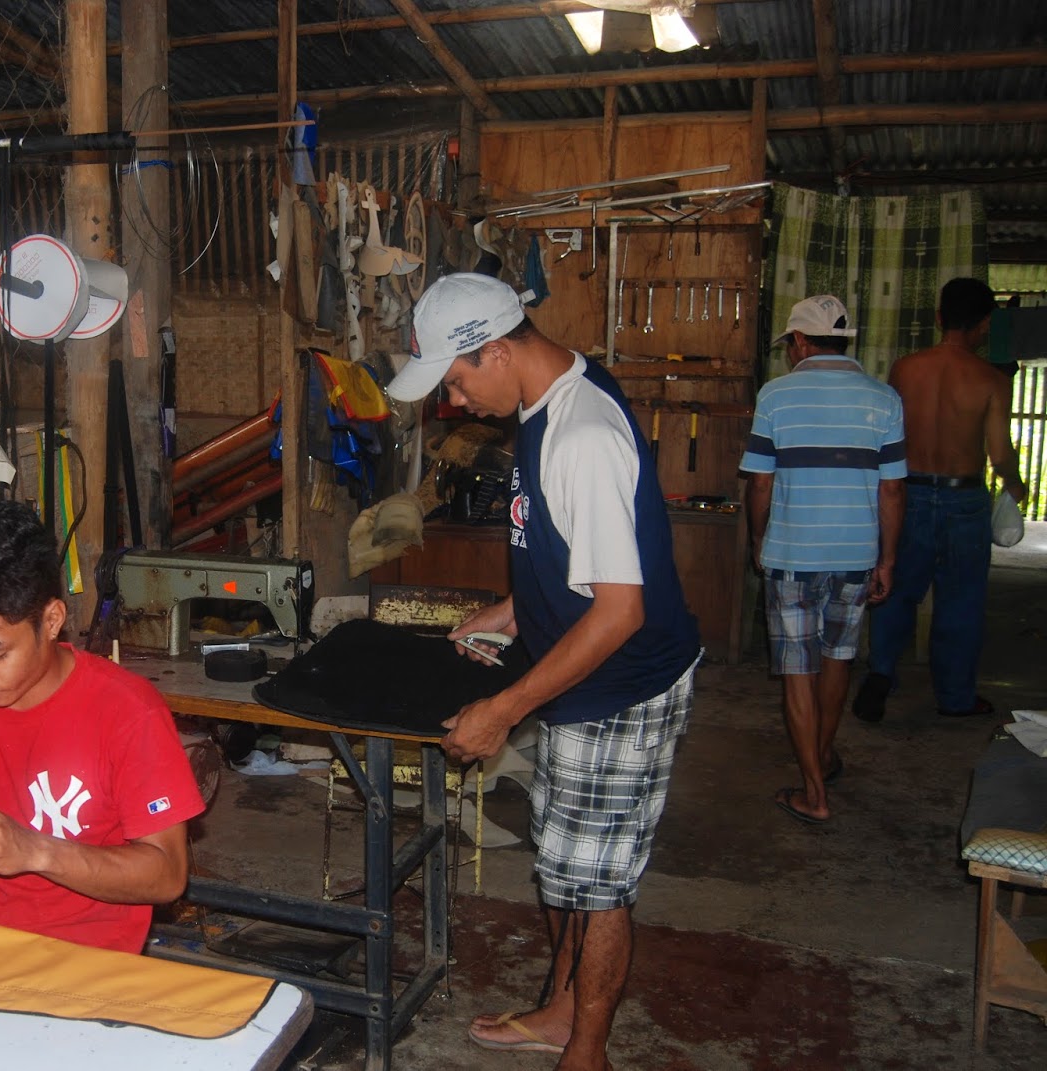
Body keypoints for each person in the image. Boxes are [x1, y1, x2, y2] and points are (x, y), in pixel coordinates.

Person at [388, 272, 702, 1071]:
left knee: (598, 884)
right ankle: (563, 1012)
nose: (454, 399)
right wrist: (512, 608)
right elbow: (573, 554)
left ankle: (586, 1050)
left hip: (622, 686)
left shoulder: (580, 435)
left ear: (496, 350)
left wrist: (504, 708)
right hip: (581, 681)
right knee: (566, 867)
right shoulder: (543, 401)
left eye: (457, 380)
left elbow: (618, 610)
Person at [0, 498, 204, 954]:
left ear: (51, 620)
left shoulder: (127, 712)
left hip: (89, 959)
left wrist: (36, 851)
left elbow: (167, 875)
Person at [740, 295, 906, 824]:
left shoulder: (776, 395)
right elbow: (893, 491)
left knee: (798, 671)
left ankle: (814, 792)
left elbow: (760, 484)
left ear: (800, 342)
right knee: (838, 660)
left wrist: (758, 540)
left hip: (793, 553)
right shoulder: (884, 399)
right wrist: (887, 560)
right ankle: (825, 755)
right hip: (856, 553)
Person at [854, 277, 1027, 721]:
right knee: (961, 602)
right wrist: (1015, 484)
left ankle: (881, 674)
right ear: (984, 324)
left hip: (908, 492)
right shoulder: (990, 379)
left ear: (938, 318)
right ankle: (955, 697)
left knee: (895, 589)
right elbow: (999, 453)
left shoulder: (905, 369)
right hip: (962, 499)